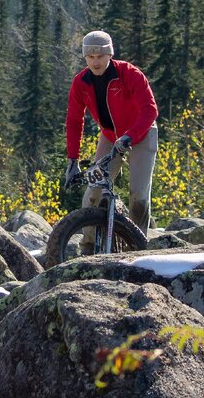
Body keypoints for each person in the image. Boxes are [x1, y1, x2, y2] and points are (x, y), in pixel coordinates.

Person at [64, 30, 158, 248]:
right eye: (90, 57)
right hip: (110, 137)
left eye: (100, 56)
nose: (95, 62)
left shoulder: (128, 73)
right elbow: (74, 121)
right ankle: (88, 248)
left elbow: (150, 109)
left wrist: (130, 136)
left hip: (142, 134)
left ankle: (138, 247)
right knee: (93, 193)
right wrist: (72, 160)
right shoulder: (81, 82)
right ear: (85, 57)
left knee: (139, 196)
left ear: (110, 55)